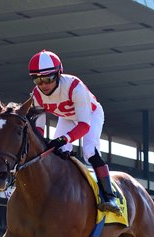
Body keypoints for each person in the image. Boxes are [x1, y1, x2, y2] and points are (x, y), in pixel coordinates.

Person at [28, 49, 121, 214]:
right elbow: (39, 128)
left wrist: (64, 138)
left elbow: (84, 125)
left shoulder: (74, 86)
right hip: (67, 117)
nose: (44, 85)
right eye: (38, 80)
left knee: (89, 151)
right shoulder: (36, 94)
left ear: (58, 74)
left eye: (48, 78)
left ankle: (109, 197)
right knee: (57, 152)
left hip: (90, 115)